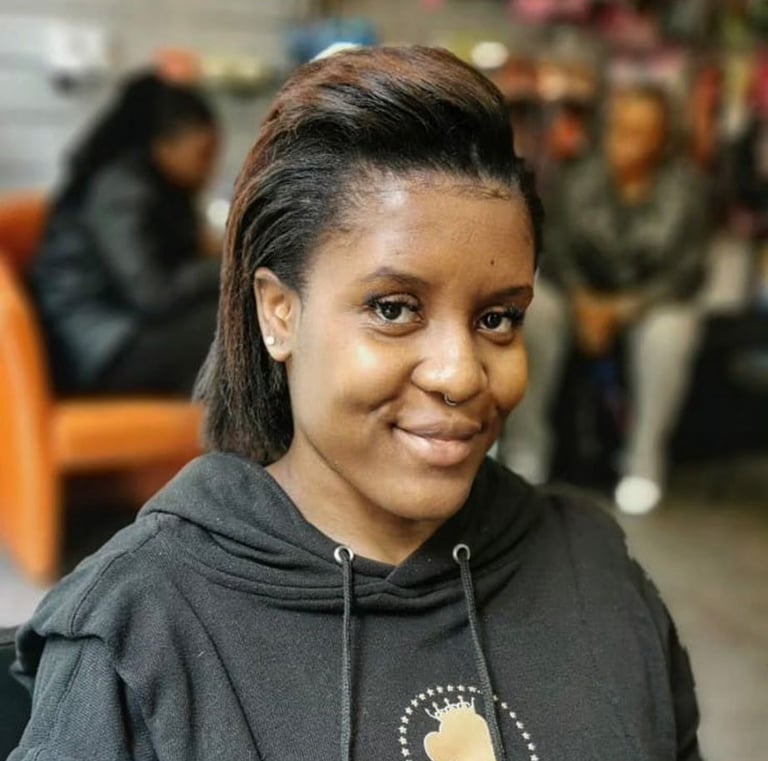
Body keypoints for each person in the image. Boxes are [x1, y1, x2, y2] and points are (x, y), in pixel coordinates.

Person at [10, 47, 701, 761]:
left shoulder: (599, 571)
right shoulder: (140, 626)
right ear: (279, 314)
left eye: (498, 318)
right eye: (394, 308)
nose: (461, 375)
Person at [499, 83, 710, 515]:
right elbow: (555, 248)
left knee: (672, 332)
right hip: (578, 293)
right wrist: (583, 300)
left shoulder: (687, 190)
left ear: (661, 139)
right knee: (534, 312)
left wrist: (623, 308)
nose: (625, 141)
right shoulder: (577, 177)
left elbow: (687, 270)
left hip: (650, 302)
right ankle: (526, 447)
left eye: (640, 132)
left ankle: (643, 462)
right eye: (620, 128)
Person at [29, 71, 221, 396]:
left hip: (121, 330)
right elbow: (152, 294)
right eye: (203, 153)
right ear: (164, 145)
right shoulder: (119, 191)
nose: (209, 167)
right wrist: (223, 267)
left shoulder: (154, 187)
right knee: (227, 326)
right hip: (98, 350)